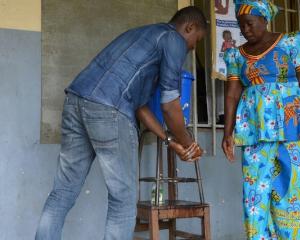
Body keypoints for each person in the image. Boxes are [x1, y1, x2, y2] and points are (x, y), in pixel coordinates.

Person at [35, 6, 206, 240]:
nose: (192, 48)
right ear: (189, 27)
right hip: (110, 110)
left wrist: (170, 140)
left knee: (63, 192)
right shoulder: (173, 39)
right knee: (123, 200)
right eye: (196, 41)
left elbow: (140, 106)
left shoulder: (138, 35)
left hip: (76, 101)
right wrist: (189, 144)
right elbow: (169, 103)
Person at [222, 0, 300, 239]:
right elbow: (231, 94)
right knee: (256, 188)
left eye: (249, 24)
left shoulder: (291, 43)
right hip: (255, 130)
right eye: (241, 26)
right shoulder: (236, 56)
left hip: (296, 126)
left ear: (264, 19)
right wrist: (227, 132)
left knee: (298, 184)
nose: (245, 30)